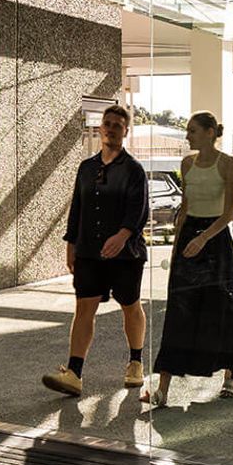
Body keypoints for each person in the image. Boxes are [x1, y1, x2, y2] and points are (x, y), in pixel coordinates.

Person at [42, 103, 149, 397]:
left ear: (125, 131)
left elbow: (139, 210)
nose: (111, 128)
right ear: (100, 128)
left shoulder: (133, 170)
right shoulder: (86, 168)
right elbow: (77, 208)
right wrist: (71, 244)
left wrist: (123, 235)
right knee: (84, 308)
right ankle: (74, 373)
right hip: (89, 252)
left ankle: (136, 363)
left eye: (117, 124)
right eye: (108, 123)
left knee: (130, 306)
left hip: (126, 254)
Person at [142, 111, 233, 407]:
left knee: (224, 307)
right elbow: (185, 207)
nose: (187, 136)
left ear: (210, 132)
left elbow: (229, 213)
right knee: (179, 310)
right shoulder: (187, 164)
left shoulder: (229, 164)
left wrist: (203, 238)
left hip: (216, 240)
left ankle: (230, 378)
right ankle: (162, 390)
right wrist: (177, 246)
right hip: (189, 239)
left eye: (193, 131)